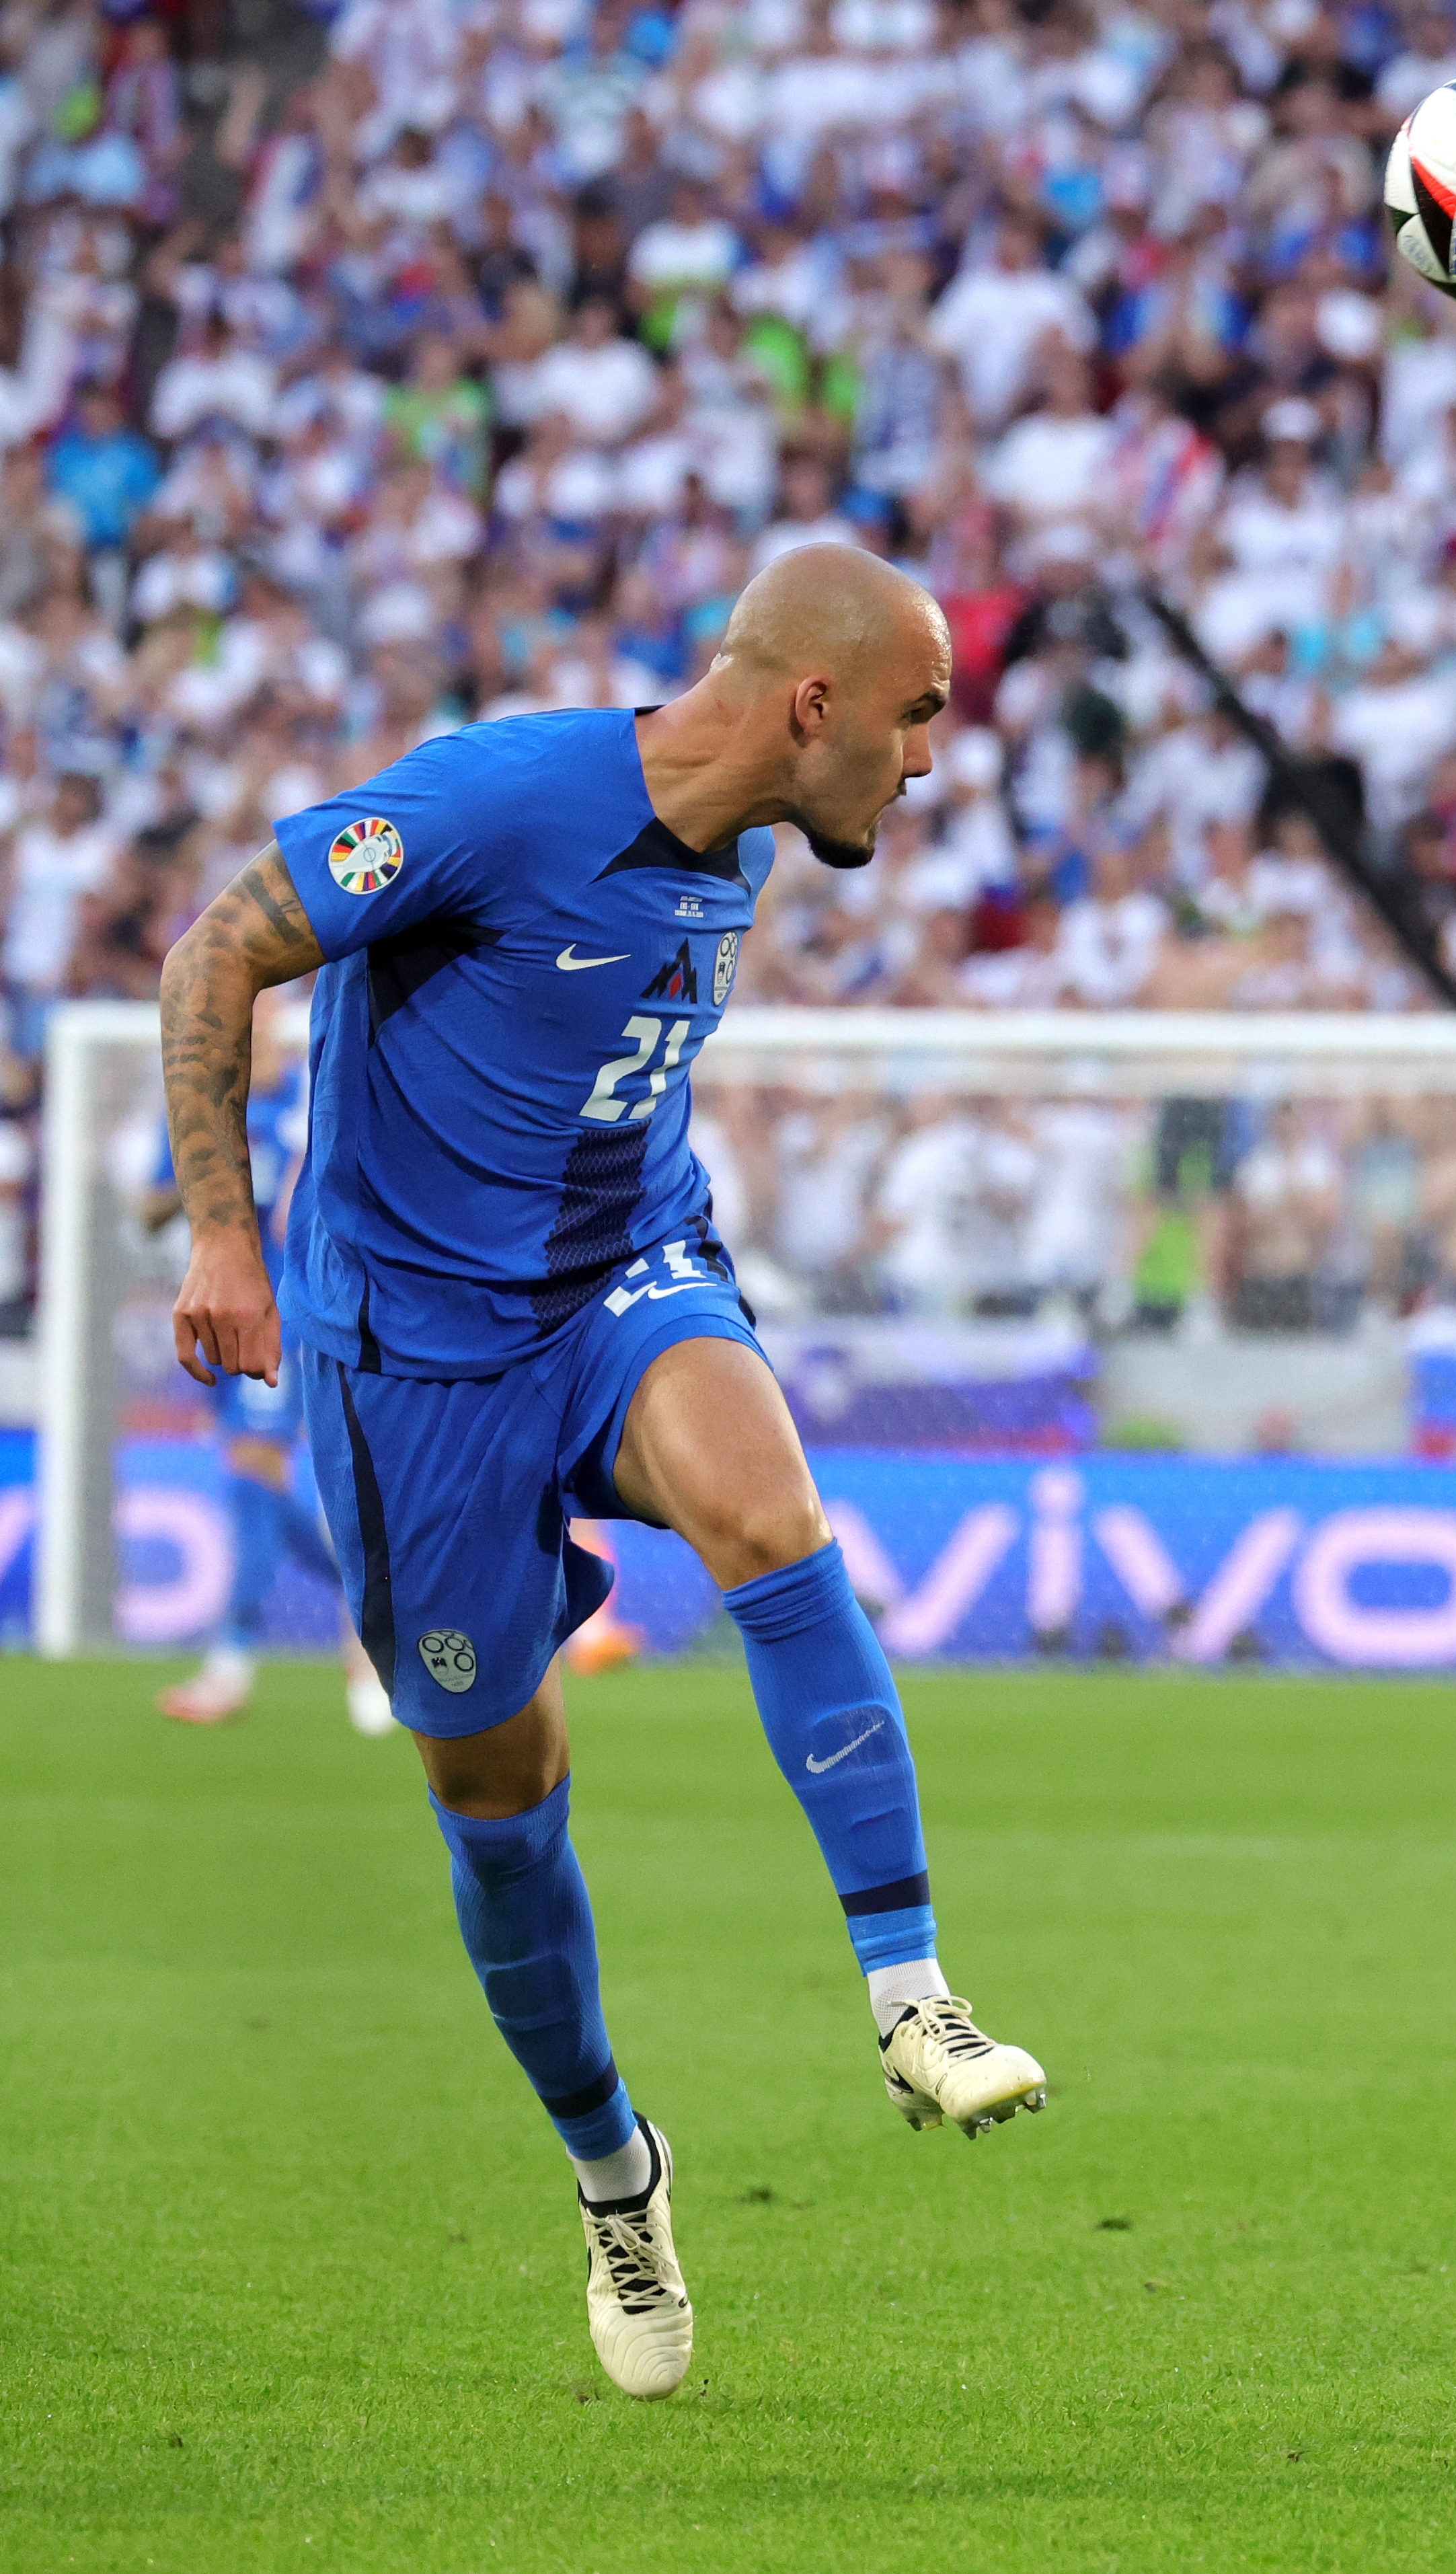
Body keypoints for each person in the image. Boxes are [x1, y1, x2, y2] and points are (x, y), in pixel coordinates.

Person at [155, 545, 1052, 2405]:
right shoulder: (500, 799)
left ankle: (910, 1993)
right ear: (812, 700)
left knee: (770, 1515)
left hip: (627, 1277)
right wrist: (223, 1237)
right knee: (500, 1785)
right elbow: (216, 947)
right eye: (918, 715)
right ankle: (612, 2172)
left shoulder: (742, 847)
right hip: (416, 1364)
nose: (930, 760)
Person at [143, 1036, 390, 1735]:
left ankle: (230, 1664)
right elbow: (147, 1211)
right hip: (216, 1306)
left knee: (256, 1467)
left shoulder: (308, 1106)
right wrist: (209, 1184)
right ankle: (371, 1599)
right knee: (253, 1479)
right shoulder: (207, 1114)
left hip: (285, 1310)